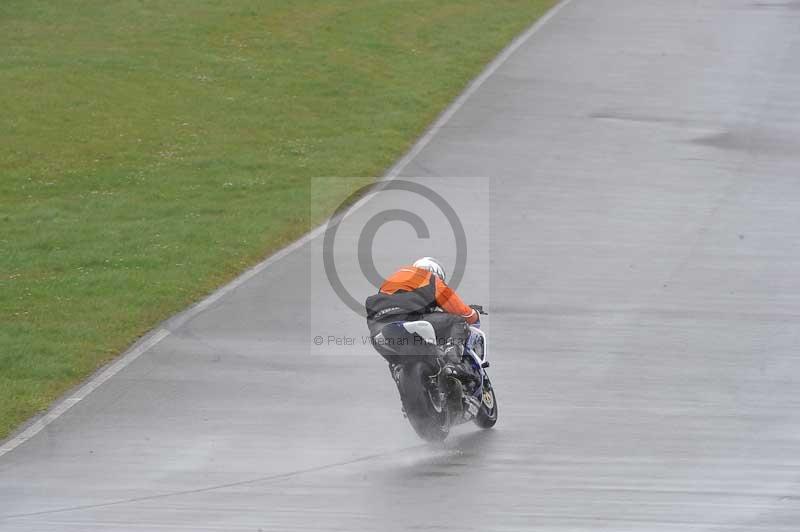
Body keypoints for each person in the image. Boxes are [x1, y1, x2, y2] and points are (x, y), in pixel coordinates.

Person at [365, 257, 479, 370]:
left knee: (396, 364)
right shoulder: (431, 278)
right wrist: (475, 315)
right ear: (436, 272)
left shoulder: (391, 281)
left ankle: (400, 374)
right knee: (457, 321)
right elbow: (463, 313)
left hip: (378, 331)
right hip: (408, 318)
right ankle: (454, 363)